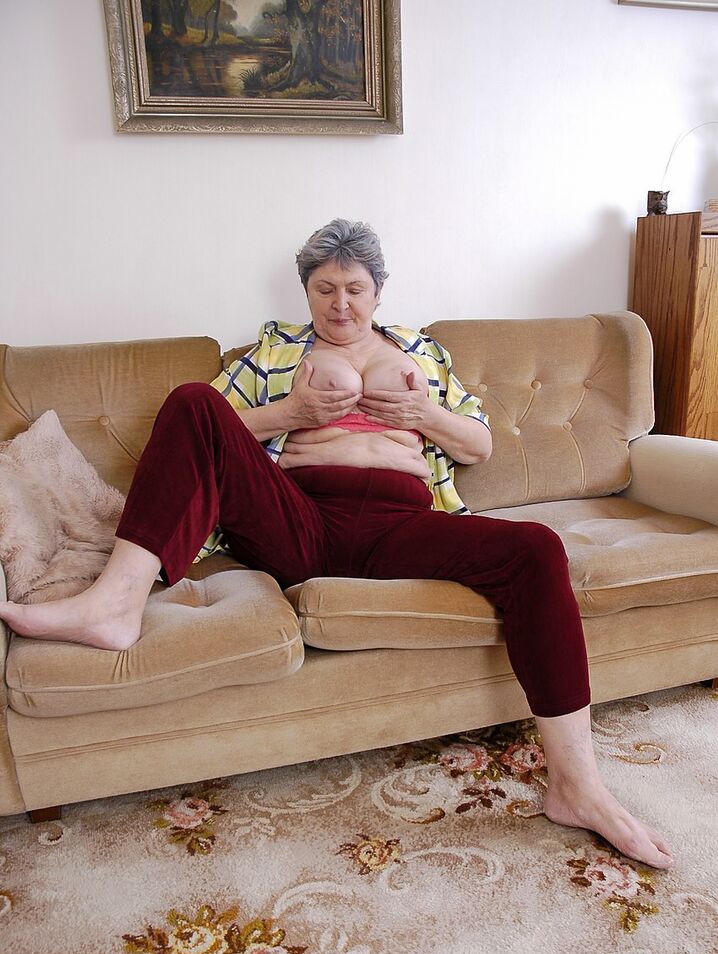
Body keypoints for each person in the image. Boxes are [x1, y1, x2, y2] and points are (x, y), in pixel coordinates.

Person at [0, 219, 673, 870]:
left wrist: (424, 414)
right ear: (306, 292)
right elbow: (196, 438)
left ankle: (576, 786)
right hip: (299, 521)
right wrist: (290, 414)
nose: (340, 303)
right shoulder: (273, 355)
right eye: (324, 289)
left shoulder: (422, 355)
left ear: (379, 291)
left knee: (538, 549)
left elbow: (480, 444)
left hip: (401, 526)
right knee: (191, 400)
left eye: (354, 289)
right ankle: (115, 604)